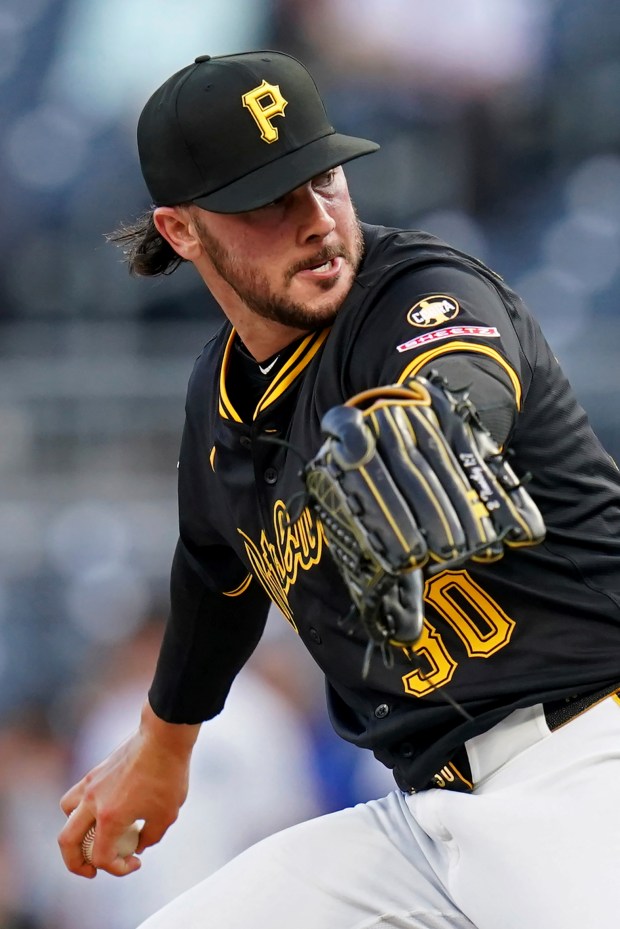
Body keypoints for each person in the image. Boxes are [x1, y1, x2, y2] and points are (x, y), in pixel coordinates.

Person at [57, 50, 620, 929]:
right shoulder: (220, 400)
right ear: (181, 231)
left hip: (588, 762)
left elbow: (465, 366)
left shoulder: (411, 290)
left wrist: (436, 421)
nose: (316, 219)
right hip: (423, 825)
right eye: (268, 200)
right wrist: (164, 745)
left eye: (323, 178)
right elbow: (216, 572)